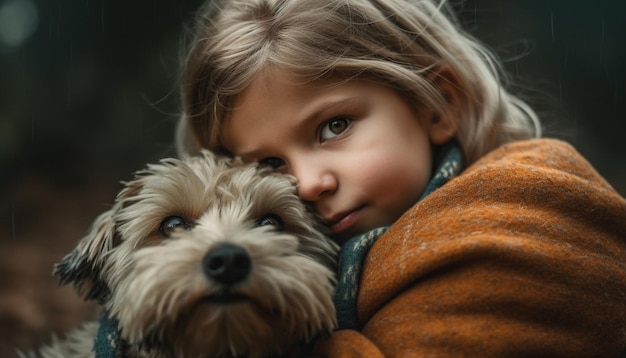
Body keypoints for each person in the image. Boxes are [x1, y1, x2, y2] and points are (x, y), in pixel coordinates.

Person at [175, 0, 626, 356]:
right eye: (269, 165)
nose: (309, 184)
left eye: (334, 126)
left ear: (437, 104)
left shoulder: (524, 204)